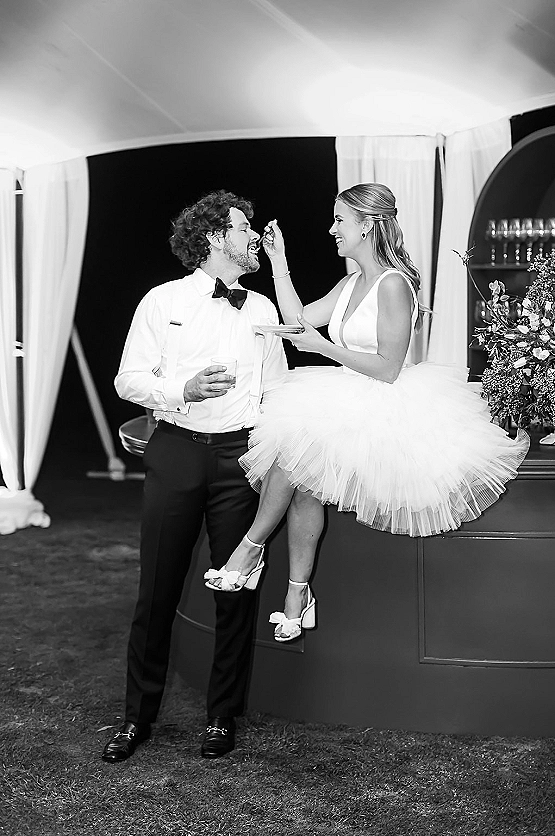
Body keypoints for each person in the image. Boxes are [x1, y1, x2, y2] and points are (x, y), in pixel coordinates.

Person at [204, 182, 529, 641]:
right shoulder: (351, 282)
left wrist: (323, 349)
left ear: (368, 225)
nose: (332, 229)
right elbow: (300, 320)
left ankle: (250, 549)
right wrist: (279, 262)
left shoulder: (393, 284)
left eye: (340, 220)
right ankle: (298, 595)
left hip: (385, 402)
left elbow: (390, 368)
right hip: (345, 395)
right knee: (303, 483)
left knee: (297, 453)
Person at [102, 190, 287, 762]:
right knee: (156, 589)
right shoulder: (161, 300)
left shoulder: (260, 310)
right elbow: (128, 379)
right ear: (213, 237)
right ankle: (137, 719)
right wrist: (178, 390)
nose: (252, 235)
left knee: (235, 592)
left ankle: (221, 716)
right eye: (242, 227)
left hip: (240, 460)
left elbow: (278, 387)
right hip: (177, 450)